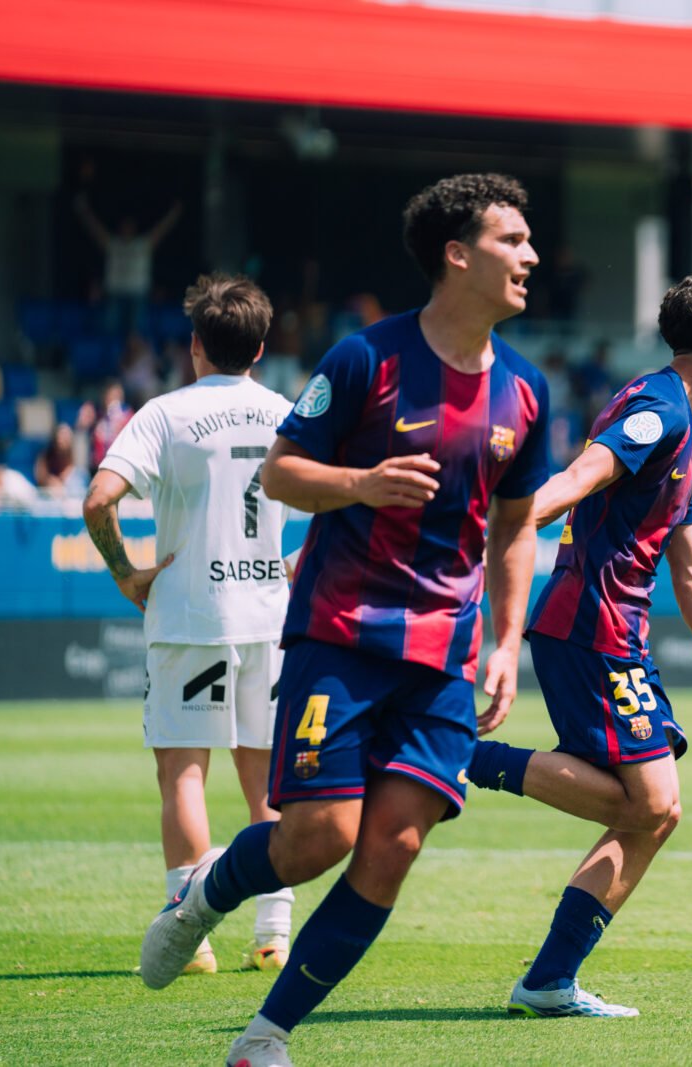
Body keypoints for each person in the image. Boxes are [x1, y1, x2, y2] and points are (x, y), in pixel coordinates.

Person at [136, 174, 550, 1067]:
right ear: (456, 252)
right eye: (512, 240)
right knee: (318, 836)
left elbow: (516, 526)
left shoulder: (527, 391)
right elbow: (282, 474)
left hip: (443, 655)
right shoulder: (366, 359)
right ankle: (204, 897)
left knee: (391, 847)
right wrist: (362, 483)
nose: (531, 256)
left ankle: (264, 1036)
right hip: (341, 634)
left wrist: (508, 642)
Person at [468, 265, 692, 1018]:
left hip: (612, 634)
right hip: (590, 629)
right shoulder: (657, 409)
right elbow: (582, 472)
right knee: (652, 802)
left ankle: (548, 979)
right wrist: (510, 519)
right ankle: (455, 754)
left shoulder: (686, 429)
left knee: (656, 811)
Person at [83, 274, 296, 976]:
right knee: (265, 780)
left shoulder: (164, 414)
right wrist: (294, 564)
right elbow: (346, 507)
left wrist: (125, 573)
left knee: (183, 771)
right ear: (260, 347)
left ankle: (190, 930)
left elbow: (97, 500)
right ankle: (273, 932)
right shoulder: (286, 413)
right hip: (270, 619)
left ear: (195, 345)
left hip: (189, 614)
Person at [73, 192, 183, 339]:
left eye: (129, 227)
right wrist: (84, 210)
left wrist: (174, 213)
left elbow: (161, 230)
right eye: (124, 227)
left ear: (134, 229)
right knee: (108, 329)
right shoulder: (113, 244)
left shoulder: (142, 245)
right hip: (115, 293)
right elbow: (95, 229)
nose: (126, 230)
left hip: (137, 294)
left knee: (136, 332)